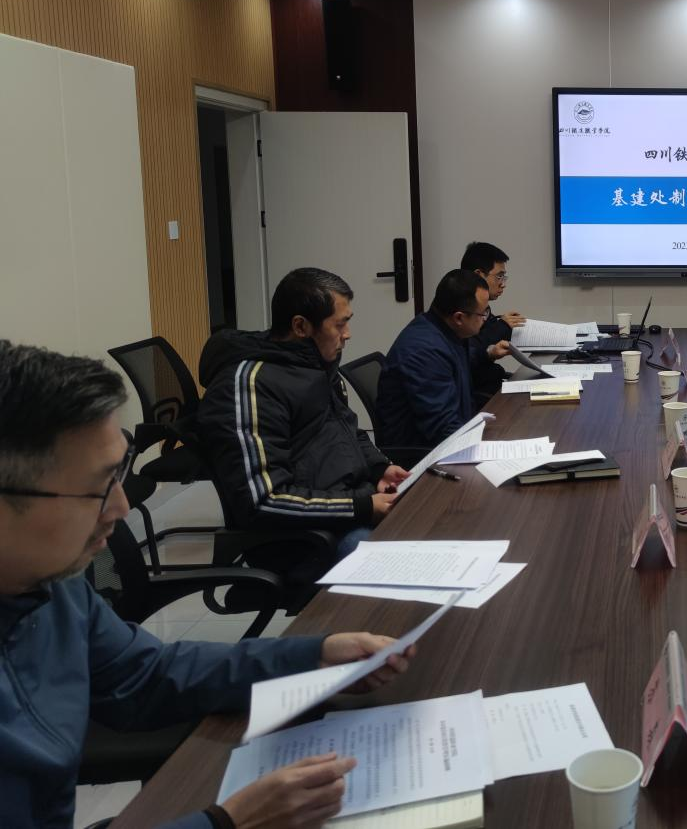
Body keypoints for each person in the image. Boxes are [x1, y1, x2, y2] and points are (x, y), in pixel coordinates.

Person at [0, 340, 416, 829]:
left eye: (120, 475)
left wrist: (313, 657)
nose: (122, 508)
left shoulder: (51, 586)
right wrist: (227, 823)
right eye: (97, 487)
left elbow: (145, 675)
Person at [197, 268, 407, 554]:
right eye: (339, 325)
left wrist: (379, 468)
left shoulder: (315, 366)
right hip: (308, 536)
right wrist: (361, 507)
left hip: (349, 505)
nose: (347, 335)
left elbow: (348, 430)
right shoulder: (250, 385)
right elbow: (264, 500)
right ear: (300, 327)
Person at [375, 270, 513, 450]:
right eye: (483, 313)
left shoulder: (444, 330)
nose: (485, 319)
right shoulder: (424, 352)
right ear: (459, 317)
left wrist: (488, 352)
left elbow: (457, 361)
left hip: (456, 431)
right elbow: (443, 429)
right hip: (424, 454)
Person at [460, 242, 526, 403]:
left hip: (492, 385)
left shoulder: (484, 309)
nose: (503, 284)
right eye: (499, 276)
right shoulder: (460, 310)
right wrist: (501, 326)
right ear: (478, 275)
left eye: (504, 277)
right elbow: (469, 353)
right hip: (476, 398)